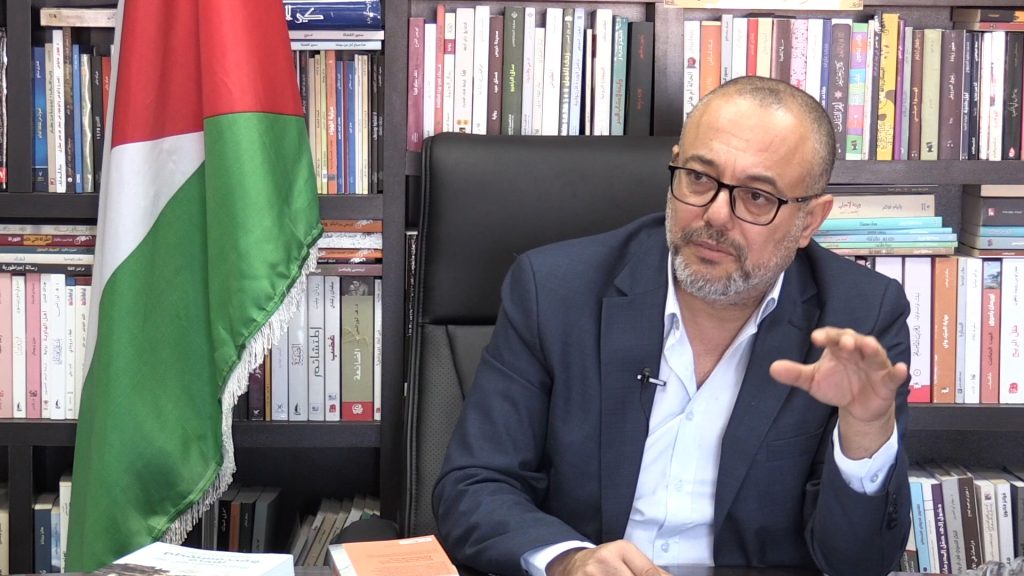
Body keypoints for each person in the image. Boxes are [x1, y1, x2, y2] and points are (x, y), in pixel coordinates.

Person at [433, 76, 912, 576]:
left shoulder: (860, 318)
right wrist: (569, 561)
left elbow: (859, 564)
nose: (716, 216)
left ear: (809, 220)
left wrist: (865, 432)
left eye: (756, 196)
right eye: (699, 178)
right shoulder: (554, 290)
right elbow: (474, 486)